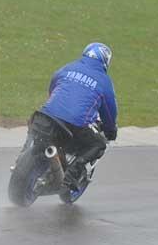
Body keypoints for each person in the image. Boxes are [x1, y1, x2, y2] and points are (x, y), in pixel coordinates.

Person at [37, 42, 118, 189]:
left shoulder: (68, 67)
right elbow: (109, 111)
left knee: (34, 133)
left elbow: (54, 83)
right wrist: (111, 130)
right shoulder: (104, 81)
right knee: (99, 144)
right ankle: (71, 175)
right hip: (74, 123)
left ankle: (21, 158)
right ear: (105, 60)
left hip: (45, 113)